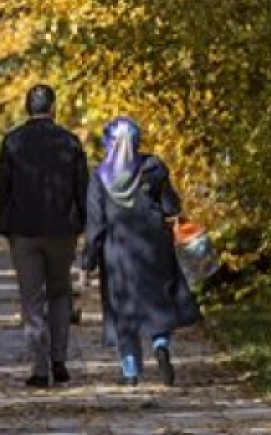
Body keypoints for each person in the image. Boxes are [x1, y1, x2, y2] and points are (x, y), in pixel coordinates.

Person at [78, 116, 201, 386]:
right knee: (158, 302)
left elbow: (96, 225)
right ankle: (160, 345)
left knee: (123, 310)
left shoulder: (99, 178)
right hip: (154, 247)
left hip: (118, 253)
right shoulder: (153, 167)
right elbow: (170, 207)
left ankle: (131, 370)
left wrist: (87, 263)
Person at [0, 83, 90, 388]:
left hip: (23, 231)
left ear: (27, 108)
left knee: (31, 298)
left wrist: (5, 221)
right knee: (60, 293)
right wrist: (82, 222)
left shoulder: (13, 142)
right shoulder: (70, 142)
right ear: (53, 108)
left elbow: (1, 187)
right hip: (62, 230)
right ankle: (59, 360)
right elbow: (82, 188)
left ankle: (39, 368)